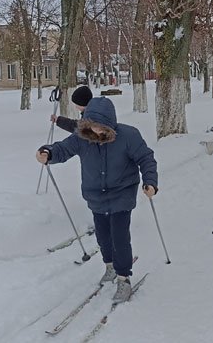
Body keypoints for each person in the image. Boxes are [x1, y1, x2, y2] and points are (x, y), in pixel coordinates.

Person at [36, 97, 158, 303]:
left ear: (110, 123)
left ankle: (123, 278)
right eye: (92, 125)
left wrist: (150, 182)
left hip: (122, 195)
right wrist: (48, 152)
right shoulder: (82, 137)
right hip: (96, 197)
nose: (96, 131)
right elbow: (62, 149)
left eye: (101, 127)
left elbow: (146, 158)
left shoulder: (128, 136)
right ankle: (109, 266)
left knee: (119, 237)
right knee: (103, 237)